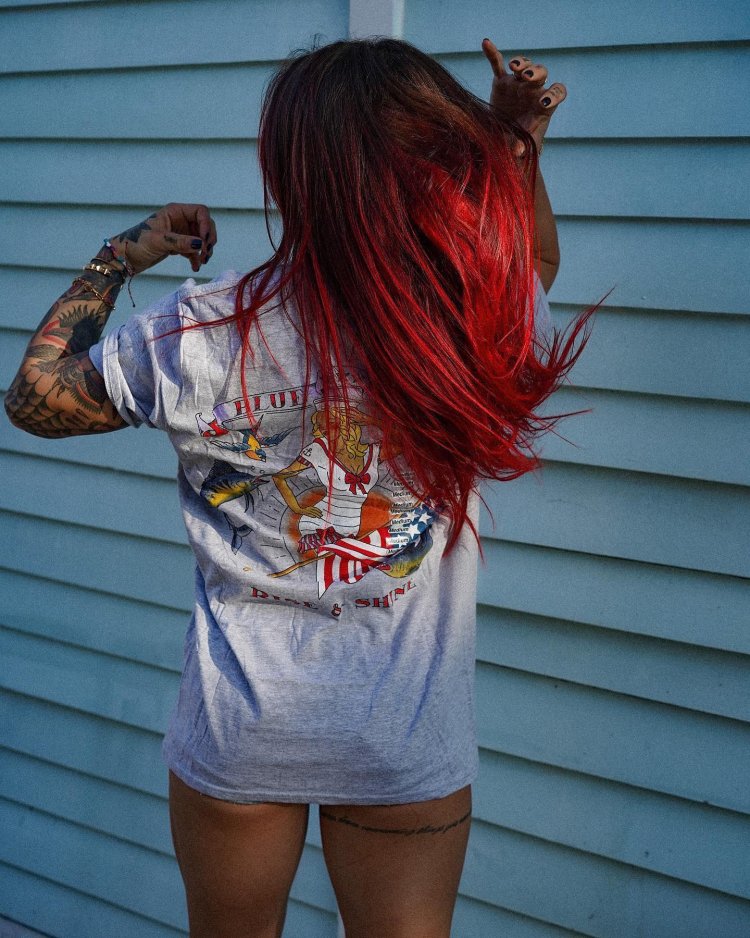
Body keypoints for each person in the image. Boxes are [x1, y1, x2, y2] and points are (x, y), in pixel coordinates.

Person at [4, 35, 592, 938]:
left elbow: (36, 399)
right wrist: (517, 148)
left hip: (243, 732)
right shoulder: (476, 317)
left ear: (291, 175)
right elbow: (534, 266)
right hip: (404, 739)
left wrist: (121, 252)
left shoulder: (197, 329)